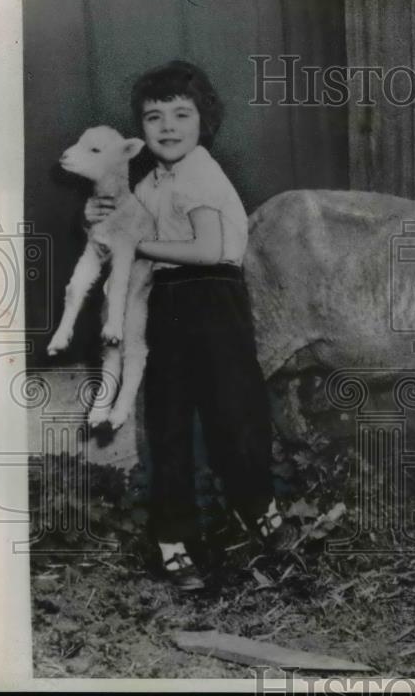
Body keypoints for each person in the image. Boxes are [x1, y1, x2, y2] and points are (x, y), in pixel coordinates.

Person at [85, 61, 299, 591]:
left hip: (214, 295)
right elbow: (114, 235)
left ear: (205, 120)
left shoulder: (200, 169)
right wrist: (97, 217)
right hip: (168, 304)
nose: (168, 126)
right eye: (153, 117)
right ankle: (172, 539)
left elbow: (205, 249)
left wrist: (132, 243)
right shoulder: (154, 180)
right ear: (141, 126)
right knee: (168, 424)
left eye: (182, 114)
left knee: (236, 413)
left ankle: (258, 508)